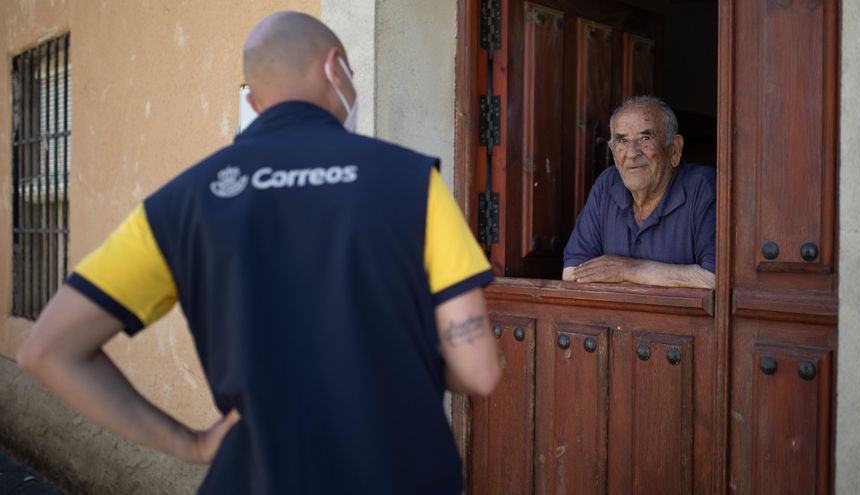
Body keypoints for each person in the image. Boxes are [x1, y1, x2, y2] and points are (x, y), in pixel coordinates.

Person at [17, 12, 501, 495]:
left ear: (252, 98)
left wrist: (192, 445)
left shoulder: (182, 201)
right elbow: (478, 371)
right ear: (335, 69)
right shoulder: (412, 182)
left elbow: (47, 351)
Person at [562, 96, 716, 288]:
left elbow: (714, 278)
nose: (632, 153)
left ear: (674, 150)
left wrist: (626, 269)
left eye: (645, 138)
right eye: (622, 140)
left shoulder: (704, 187)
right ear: (612, 150)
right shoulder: (607, 184)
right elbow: (572, 273)